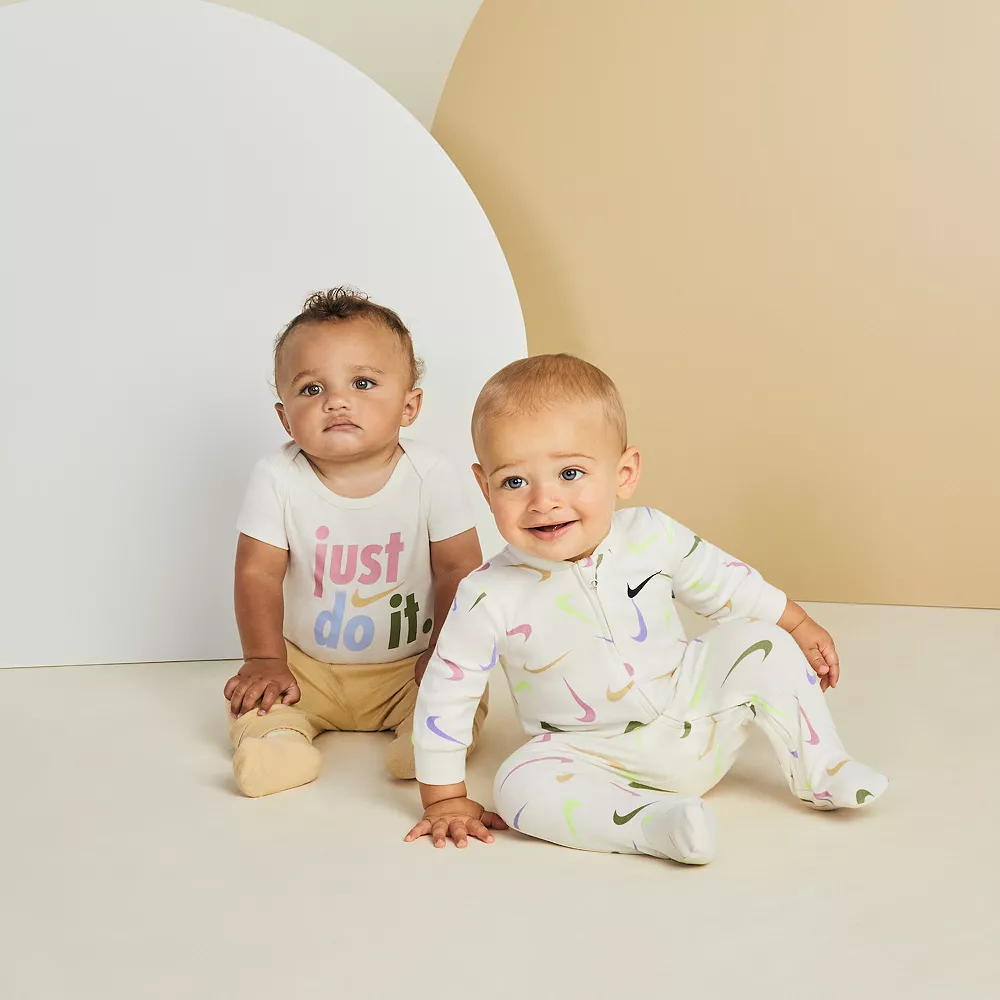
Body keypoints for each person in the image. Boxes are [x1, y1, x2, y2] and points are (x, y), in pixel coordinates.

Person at [405, 354, 887, 861]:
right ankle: (658, 825)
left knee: (760, 637)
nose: (544, 501)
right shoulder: (487, 594)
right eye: (514, 482)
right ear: (485, 488)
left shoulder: (652, 535)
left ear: (624, 473)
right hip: (589, 756)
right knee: (516, 786)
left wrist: (798, 624)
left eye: (570, 473)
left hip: (695, 714)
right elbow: (447, 692)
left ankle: (823, 768)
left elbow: (728, 584)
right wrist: (444, 797)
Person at [224, 288, 487, 797]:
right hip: (305, 667)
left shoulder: (431, 474)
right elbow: (257, 573)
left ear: (409, 406)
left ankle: (428, 740)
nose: (336, 401)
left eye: (362, 383)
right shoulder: (277, 477)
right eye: (311, 389)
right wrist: (265, 659)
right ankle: (277, 742)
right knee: (255, 699)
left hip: (410, 667)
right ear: (285, 417)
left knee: (461, 691)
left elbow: (459, 570)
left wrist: (443, 649)